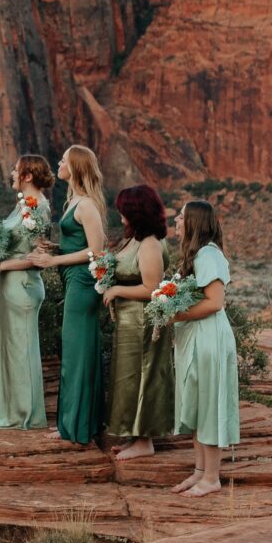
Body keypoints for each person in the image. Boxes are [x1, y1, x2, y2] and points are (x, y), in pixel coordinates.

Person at [32, 146, 110, 446]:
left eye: (63, 160)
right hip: (73, 281)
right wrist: (56, 249)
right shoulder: (73, 201)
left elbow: (96, 250)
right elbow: (77, 243)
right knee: (79, 353)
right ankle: (77, 424)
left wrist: (53, 262)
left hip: (82, 284)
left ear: (75, 168)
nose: (59, 163)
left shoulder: (87, 205)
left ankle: (72, 427)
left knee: (76, 356)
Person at [168, 198, 241, 495]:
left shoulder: (208, 256)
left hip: (209, 338)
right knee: (197, 404)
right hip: (197, 337)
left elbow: (214, 302)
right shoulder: (197, 256)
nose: (176, 221)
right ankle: (200, 471)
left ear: (194, 223)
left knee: (209, 403)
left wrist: (175, 314)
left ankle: (212, 477)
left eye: (181, 217)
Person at [100, 182, 176, 461]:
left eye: (124, 211)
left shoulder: (150, 244)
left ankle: (145, 441)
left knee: (143, 376)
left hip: (145, 324)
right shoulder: (134, 239)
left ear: (137, 213)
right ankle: (134, 434)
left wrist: (117, 290)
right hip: (130, 323)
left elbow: (152, 288)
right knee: (128, 378)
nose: (120, 216)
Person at [0, 154, 54, 430]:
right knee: (9, 350)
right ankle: (9, 409)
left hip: (23, 286)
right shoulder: (23, 206)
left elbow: (36, 256)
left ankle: (26, 414)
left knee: (21, 351)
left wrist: (0, 266)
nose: (11, 173)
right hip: (9, 287)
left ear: (28, 175)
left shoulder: (40, 209)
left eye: (15, 169)